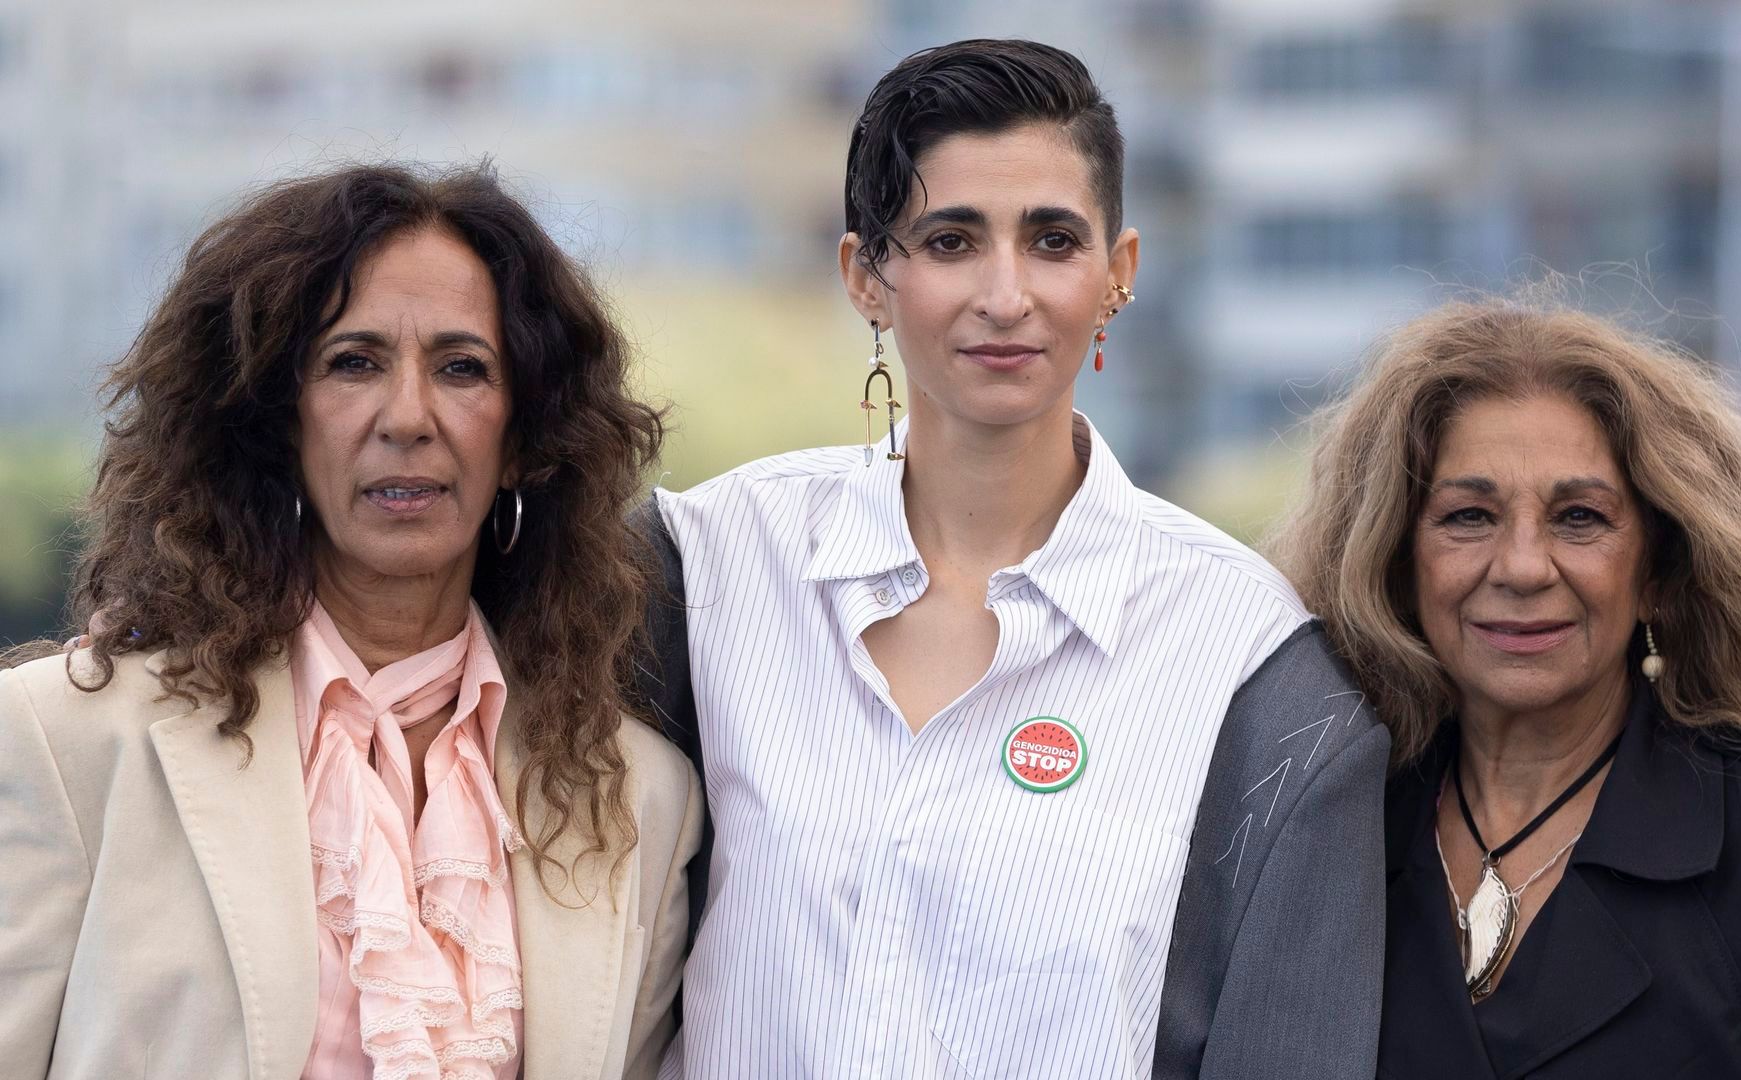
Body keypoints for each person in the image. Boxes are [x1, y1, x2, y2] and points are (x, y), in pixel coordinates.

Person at [644, 38, 1386, 1080]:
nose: (1006, 294)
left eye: (1051, 241)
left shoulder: (1250, 662)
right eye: (950, 242)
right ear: (866, 276)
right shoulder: (710, 566)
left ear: (1118, 274)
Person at [0, 163, 701, 1080]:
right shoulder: (64, 742)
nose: (407, 417)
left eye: (462, 368)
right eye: (353, 362)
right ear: (272, 420)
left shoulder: (639, 800)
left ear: (526, 436)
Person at [1273, 297, 1741, 1077]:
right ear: (1397, 566)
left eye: (1579, 517)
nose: (1520, 567)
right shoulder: (1321, 842)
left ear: (1659, 573)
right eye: (1469, 516)